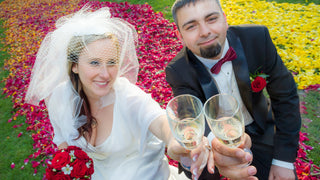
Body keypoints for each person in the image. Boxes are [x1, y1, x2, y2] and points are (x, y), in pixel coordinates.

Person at [25, 6, 210, 180]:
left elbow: (161, 122)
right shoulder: (60, 98)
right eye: (94, 63)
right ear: (74, 66)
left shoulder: (128, 96)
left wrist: (177, 140)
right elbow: (63, 143)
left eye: (112, 62)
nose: (106, 74)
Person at [165, 0, 301, 180]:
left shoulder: (257, 39)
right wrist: (217, 145)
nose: (205, 31)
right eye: (191, 26)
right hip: (211, 139)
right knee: (201, 170)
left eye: (211, 19)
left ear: (225, 19)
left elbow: (286, 96)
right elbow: (192, 116)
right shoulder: (177, 70)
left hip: (259, 129)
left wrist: (283, 161)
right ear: (179, 35)